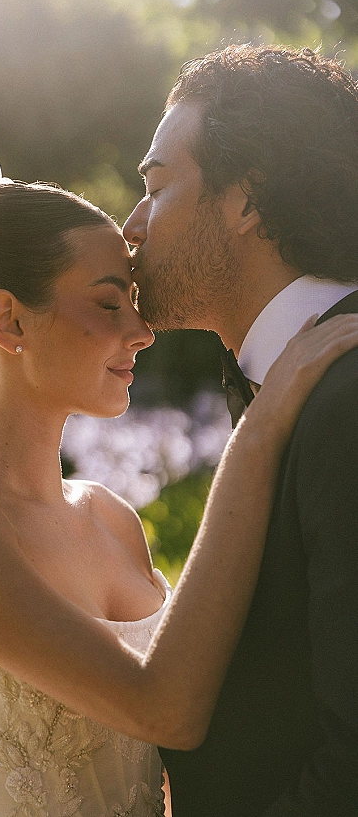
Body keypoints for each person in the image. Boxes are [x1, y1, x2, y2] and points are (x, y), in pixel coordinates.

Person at [0, 160, 356, 817]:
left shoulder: (113, 520)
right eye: (110, 303)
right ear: (9, 321)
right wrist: (259, 431)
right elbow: (161, 706)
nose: (142, 331)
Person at [124, 43, 358, 816]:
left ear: (247, 199)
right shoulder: (290, 383)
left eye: (155, 187)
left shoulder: (347, 399)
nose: (130, 225)